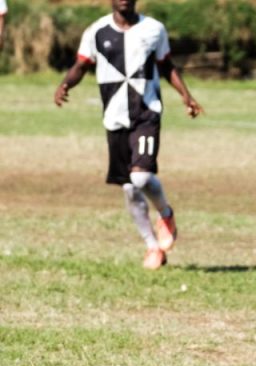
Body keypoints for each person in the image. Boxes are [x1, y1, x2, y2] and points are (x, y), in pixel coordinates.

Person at [53, 0, 203, 270]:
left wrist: (186, 96)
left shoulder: (154, 29)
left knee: (141, 176)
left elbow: (166, 65)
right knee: (129, 188)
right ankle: (152, 246)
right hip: (114, 117)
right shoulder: (96, 31)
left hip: (146, 112)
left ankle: (165, 213)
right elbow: (81, 65)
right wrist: (65, 84)